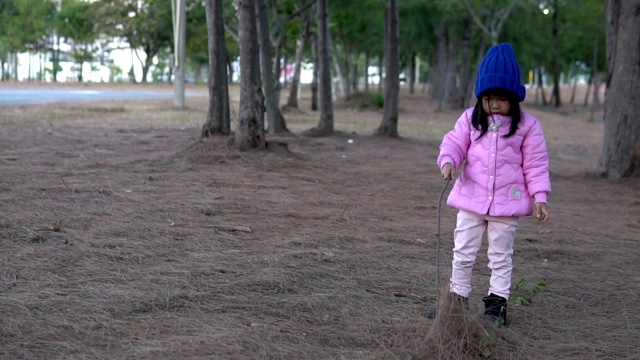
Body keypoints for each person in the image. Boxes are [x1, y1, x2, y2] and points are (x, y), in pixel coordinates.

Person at [433, 43, 551, 326]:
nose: (495, 104)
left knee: (500, 257)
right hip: (471, 200)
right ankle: (456, 302)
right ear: (480, 97)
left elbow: (536, 163)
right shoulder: (469, 120)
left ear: (514, 98)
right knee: (462, 252)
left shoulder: (528, 126)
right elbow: (454, 143)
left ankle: (496, 306)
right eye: (489, 98)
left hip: (506, 206)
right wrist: (448, 161)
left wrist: (540, 196)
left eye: (502, 98)